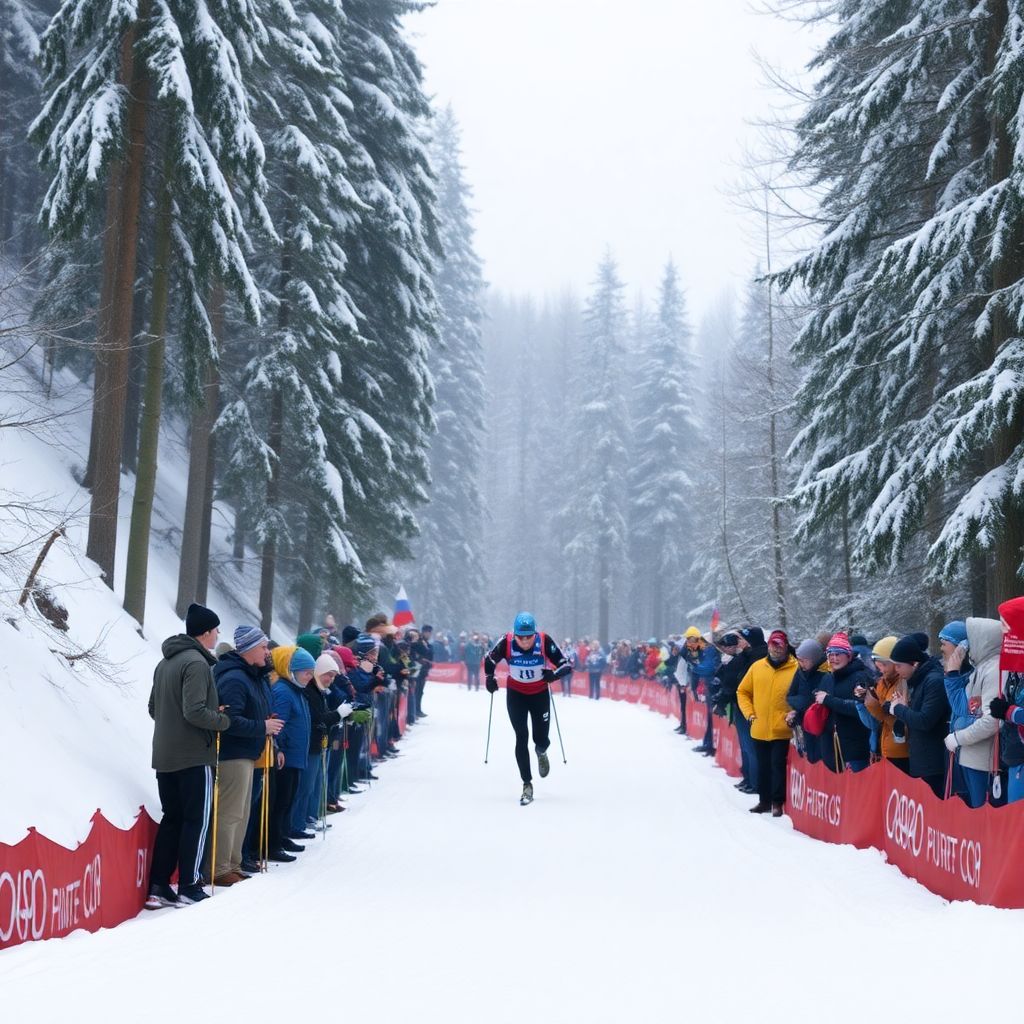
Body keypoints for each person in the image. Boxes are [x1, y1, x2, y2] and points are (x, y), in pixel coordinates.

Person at [146, 603, 231, 908]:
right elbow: (194, 711)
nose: (218, 634)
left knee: (173, 819)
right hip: (194, 757)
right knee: (197, 820)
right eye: (216, 629)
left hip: (165, 756)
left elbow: (154, 708)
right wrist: (221, 720)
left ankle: (158, 887)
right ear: (206, 632)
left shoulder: (165, 663)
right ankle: (189, 885)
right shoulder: (196, 663)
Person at [210, 625, 283, 885]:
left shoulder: (253, 676)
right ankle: (219, 867)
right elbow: (228, 720)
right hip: (233, 753)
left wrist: (265, 721)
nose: (267, 652)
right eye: (263, 647)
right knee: (230, 812)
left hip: (249, 751)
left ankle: (233, 862)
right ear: (249, 649)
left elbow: (250, 711)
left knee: (241, 812)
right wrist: (262, 726)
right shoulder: (235, 678)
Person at [483, 612, 571, 805]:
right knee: (521, 736)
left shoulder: (544, 640)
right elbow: (489, 660)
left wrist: (553, 675)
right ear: (515, 634)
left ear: (534, 634)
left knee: (540, 738)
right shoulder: (506, 642)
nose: (524, 641)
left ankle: (541, 751)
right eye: (520, 637)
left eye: (528, 637)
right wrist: (490, 678)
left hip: (539, 695)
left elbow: (566, 665)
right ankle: (527, 784)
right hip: (516, 695)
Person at [942, 618, 1002, 808]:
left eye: (944, 643)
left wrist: (959, 737)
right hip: (970, 755)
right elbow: (966, 707)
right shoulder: (983, 668)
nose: (941, 649)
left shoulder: (993, 670)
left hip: (983, 759)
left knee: (982, 813)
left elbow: (990, 719)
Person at [736, 629, 797, 816]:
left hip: (783, 728)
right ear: (768, 645)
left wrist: (793, 714)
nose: (776, 649)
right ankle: (764, 800)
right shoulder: (757, 666)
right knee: (762, 765)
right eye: (773, 644)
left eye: (779, 645)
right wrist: (749, 713)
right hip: (759, 725)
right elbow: (742, 691)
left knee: (777, 765)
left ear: (786, 647)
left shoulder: (796, 668)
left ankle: (777, 802)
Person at [886, 635, 950, 799]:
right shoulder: (918, 679)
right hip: (920, 758)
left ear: (914, 663)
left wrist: (898, 709)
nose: (897, 671)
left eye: (899, 666)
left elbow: (924, 720)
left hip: (933, 763)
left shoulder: (934, 681)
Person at [267, 648, 315, 859]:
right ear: (292, 671)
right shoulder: (283, 692)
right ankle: (273, 843)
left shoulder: (296, 690)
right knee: (280, 801)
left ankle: (282, 835)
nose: (310, 677)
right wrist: (280, 747)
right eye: (306, 672)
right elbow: (278, 724)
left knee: (288, 799)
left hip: (295, 757)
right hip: (284, 757)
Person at [812, 632, 872, 772]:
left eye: (838, 654)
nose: (834, 658)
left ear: (849, 656)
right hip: (832, 747)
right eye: (830, 655)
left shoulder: (859, 677)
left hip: (854, 748)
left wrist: (828, 699)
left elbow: (859, 708)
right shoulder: (829, 677)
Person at [863, 636, 909, 773]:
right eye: (878, 666)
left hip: (901, 751)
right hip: (885, 746)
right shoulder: (882, 682)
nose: (881, 670)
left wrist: (874, 706)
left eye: (884, 665)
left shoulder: (902, 683)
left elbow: (893, 719)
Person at [786, 637, 828, 766]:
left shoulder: (825, 674)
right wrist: (800, 707)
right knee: (810, 757)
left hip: (820, 725)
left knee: (820, 758)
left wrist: (807, 703)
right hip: (804, 722)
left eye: (804, 660)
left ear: (814, 659)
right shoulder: (800, 673)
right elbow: (790, 695)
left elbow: (823, 701)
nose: (801, 663)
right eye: (799, 660)